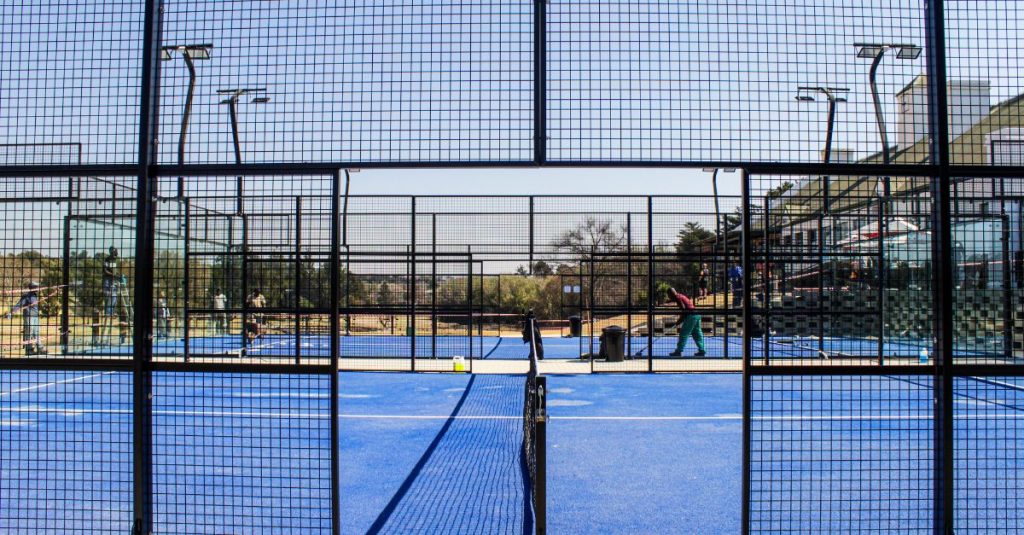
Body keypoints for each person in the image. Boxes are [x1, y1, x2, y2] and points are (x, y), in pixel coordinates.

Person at [7, 281, 46, 355]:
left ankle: (40, 348)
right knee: (29, 333)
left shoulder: (35, 295)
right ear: (32, 287)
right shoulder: (26, 296)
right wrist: (11, 312)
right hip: (29, 316)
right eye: (36, 287)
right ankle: (29, 350)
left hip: (35, 316)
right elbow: (19, 304)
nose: (38, 288)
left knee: (37, 332)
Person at [666, 287, 705, 357]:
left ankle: (678, 351)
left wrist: (679, 321)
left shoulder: (678, 298)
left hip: (691, 316)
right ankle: (702, 350)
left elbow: (684, 310)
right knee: (697, 334)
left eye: (668, 295)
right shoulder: (679, 295)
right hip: (696, 315)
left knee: (683, 334)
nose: (669, 297)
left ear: (670, 294)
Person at [101, 246, 121, 340]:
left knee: (114, 297)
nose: (116, 252)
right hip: (107, 280)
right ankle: (108, 313)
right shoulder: (107, 259)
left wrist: (118, 276)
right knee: (109, 296)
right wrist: (113, 275)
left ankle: (112, 312)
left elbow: (117, 270)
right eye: (114, 251)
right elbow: (105, 270)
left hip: (114, 280)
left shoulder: (116, 260)